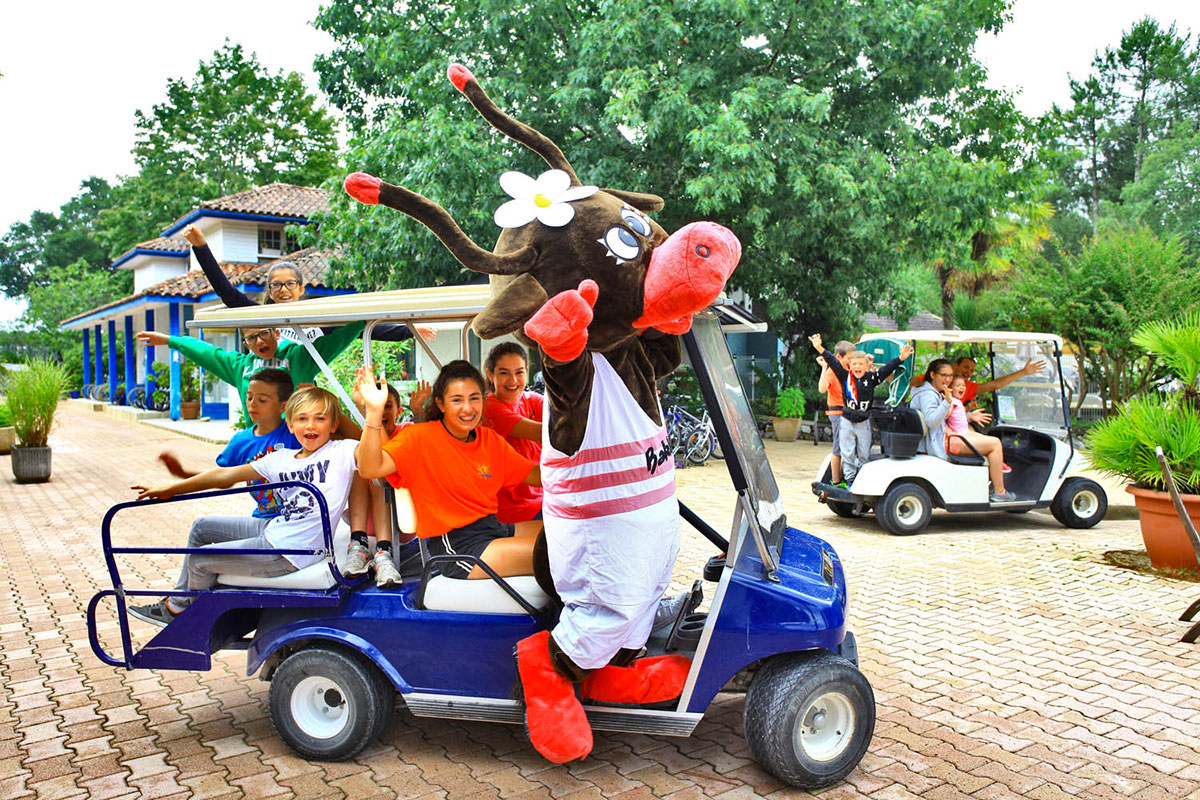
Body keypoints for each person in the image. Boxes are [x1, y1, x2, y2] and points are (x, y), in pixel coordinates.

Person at [127, 386, 362, 625]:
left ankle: (190, 619)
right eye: (302, 419)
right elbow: (224, 476)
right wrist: (170, 489)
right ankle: (178, 603)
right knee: (201, 527)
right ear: (290, 426)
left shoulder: (341, 451)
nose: (310, 426)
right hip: (275, 529)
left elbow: (366, 444)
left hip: (290, 552)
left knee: (199, 560)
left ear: (333, 426)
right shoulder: (279, 459)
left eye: (320, 418)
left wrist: (354, 410)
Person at [355, 360, 543, 580]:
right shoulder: (419, 438)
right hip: (458, 547)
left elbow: (535, 476)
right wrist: (374, 413)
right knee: (557, 555)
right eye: (457, 400)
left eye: (474, 398)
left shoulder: (488, 439)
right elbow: (370, 468)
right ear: (441, 404)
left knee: (570, 536)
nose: (467, 408)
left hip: (493, 528)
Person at [182, 225, 434, 344]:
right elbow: (227, 293)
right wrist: (201, 247)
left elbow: (365, 328)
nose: (283, 290)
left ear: (301, 289)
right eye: (276, 286)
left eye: (290, 284)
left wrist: (410, 330)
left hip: (304, 397)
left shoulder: (318, 319)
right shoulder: (261, 317)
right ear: (268, 291)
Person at [135, 323, 365, 429]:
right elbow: (206, 353)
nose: (259, 342)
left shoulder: (299, 357)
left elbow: (339, 339)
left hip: (299, 441)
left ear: (276, 332)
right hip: (259, 446)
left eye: (263, 334)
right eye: (251, 338)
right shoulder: (241, 366)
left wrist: (363, 318)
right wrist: (169, 341)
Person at [157, 368, 300, 519]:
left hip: (296, 519)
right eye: (249, 397)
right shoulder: (241, 441)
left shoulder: (298, 435)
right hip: (263, 520)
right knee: (201, 527)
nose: (252, 404)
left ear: (284, 406)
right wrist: (182, 474)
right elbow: (224, 479)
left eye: (262, 400)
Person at [810, 333, 912, 483]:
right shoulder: (845, 376)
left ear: (867, 366)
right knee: (847, 453)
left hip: (863, 422)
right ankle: (850, 481)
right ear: (850, 366)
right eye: (854, 364)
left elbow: (887, 369)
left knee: (864, 453)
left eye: (861, 364)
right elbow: (832, 360)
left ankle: (863, 481)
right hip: (846, 421)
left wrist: (901, 358)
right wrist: (819, 347)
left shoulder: (872, 378)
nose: (857, 367)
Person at [481, 342, 544, 523]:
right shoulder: (489, 408)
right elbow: (547, 433)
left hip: (543, 500)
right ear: (490, 374)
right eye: (504, 373)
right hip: (513, 511)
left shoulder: (532, 400)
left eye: (519, 372)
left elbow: (561, 421)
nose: (513, 381)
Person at [945, 376, 1015, 500]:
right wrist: (947, 402)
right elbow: (945, 414)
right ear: (950, 389)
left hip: (962, 434)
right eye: (958, 385)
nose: (962, 388)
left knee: (983, 437)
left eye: (963, 385)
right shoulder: (951, 402)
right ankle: (1000, 491)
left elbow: (957, 416)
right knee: (996, 443)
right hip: (958, 437)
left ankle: (997, 468)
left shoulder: (957, 402)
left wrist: (969, 414)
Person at [913, 354, 1046, 408]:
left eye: (971, 370)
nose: (968, 372)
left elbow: (995, 385)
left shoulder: (967, 386)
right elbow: (909, 382)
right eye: (966, 367)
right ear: (955, 366)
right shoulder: (936, 379)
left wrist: (1024, 372)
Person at [817, 340, 854, 484]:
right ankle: (836, 481)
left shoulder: (848, 372)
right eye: (849, 359)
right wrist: (824, 368)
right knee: (838, 448)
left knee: (846, 448)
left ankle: (841, 478)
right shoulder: (833, 372)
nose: (851, 361)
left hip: (846, 412)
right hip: (838, 413)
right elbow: (822, 388)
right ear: (839, 357)